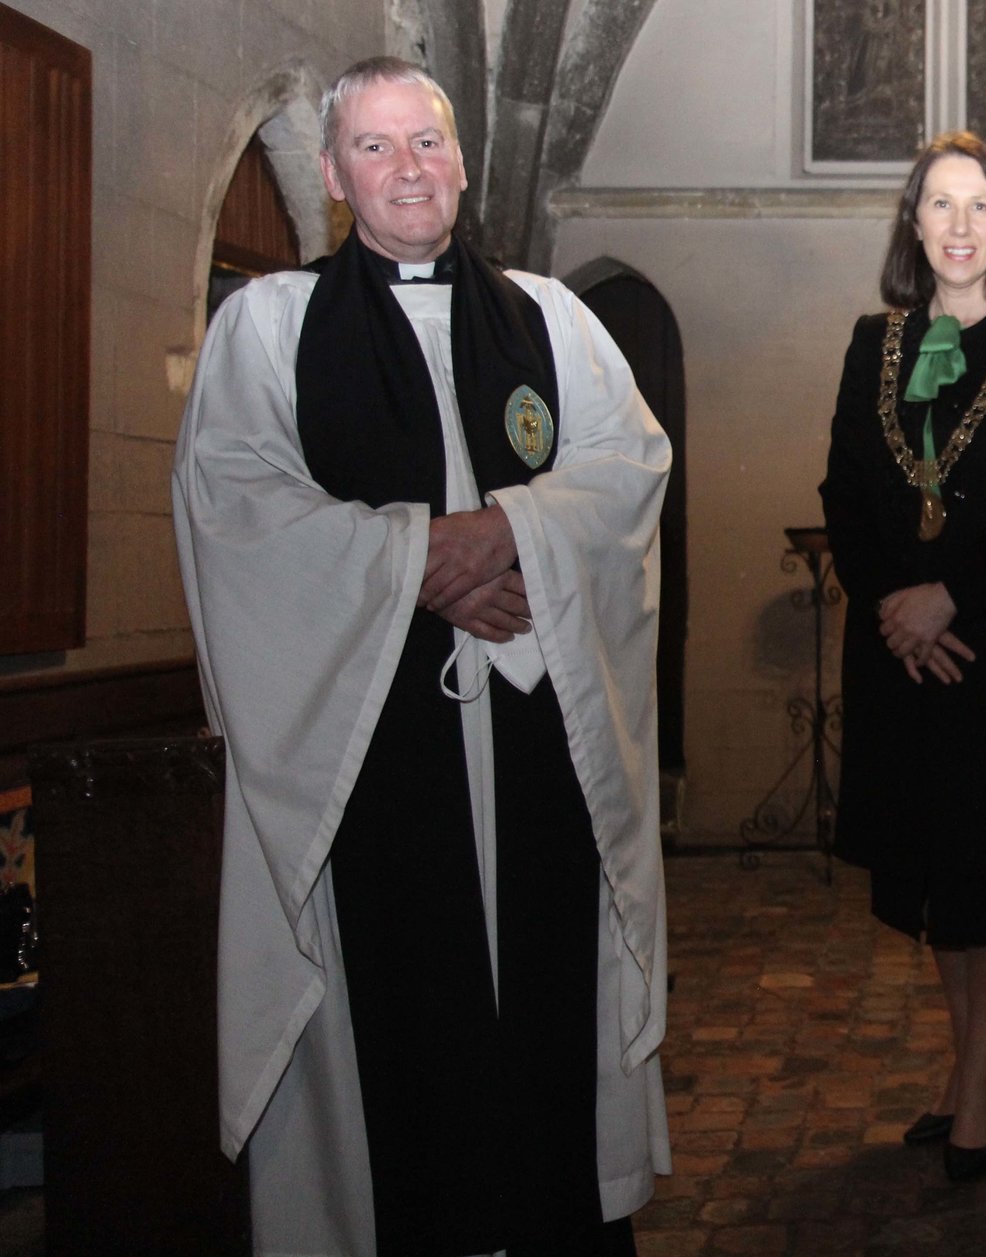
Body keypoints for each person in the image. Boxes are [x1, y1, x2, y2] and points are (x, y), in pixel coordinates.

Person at [172, 57, 671, 1256]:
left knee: (542, 1031)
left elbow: (626, 471)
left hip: (540, 751)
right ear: (338, 174)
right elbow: (237, 505)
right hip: (370, 765)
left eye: (429, 144)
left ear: (460, 163)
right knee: (397, 1047)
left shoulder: (553, 320)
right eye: (378, 148)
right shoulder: (270, 326)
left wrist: (511, 534)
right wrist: (417, 563)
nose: (409, 169)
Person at [819, 131, 986, 1183]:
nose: (962, 225)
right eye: (941, 205)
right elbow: (844, 490)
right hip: (900, 652)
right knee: (934, 872)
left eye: (981, 206)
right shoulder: (869, 341)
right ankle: (976, 1056)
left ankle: (978, 1079)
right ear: (913, 225)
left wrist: (949, 596)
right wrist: (895, 605)